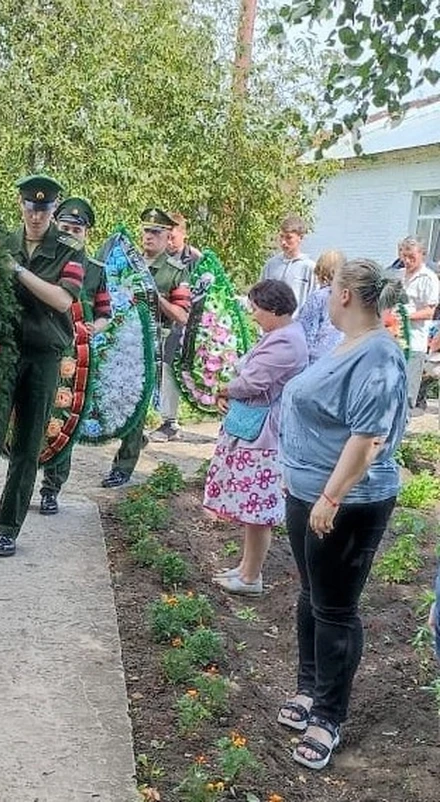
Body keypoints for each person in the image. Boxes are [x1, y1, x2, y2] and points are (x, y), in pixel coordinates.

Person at [277, 257, 406, 771]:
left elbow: (369, 436)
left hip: (348, 503)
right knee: (311, 597)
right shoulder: (346, 344)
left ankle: (328, 717)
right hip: (309, 492)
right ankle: (310, 689)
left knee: (335, 609)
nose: (327, 297)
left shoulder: (378, 354)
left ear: (347, 294)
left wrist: (330, 498)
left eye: (330, 288)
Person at [0, 175, 84, 558]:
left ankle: (7, 528)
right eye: (29, 206)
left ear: (53, 208)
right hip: (3, 351)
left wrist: (19, 271)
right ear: (20, 204)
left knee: (27, 444)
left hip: (44, 354)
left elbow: (61, 300)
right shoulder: (2, 243)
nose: (35, 214)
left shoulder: (69, 249)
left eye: (43, 208)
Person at [204, 279, 308, 594]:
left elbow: (253, 382)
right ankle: (246, 568)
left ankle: (251, 577)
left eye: (257, 309)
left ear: (275, 309)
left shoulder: (286, 341)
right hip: (258, 428)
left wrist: (223, 389)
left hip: (266, 436)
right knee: (252, 510)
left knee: (259, 509)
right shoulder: (280, 335)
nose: (253, 316)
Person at [100, 207, 191, 488]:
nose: (149, 237)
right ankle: (134, 439)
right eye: (146, 231)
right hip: (118, 342)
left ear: (167, 236)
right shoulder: (126, 261)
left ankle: (124, 465)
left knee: (138, 403)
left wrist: (155, 296)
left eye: (156, 232)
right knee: (115, 398)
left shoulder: (175, 271)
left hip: (149, 347)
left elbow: (182, 315)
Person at [38, 197, 110, 515]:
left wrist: (97, 326)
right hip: (41, 347)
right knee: (32, 416)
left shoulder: (95, 270)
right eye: (64, 227)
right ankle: (24, 479)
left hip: (76, 354)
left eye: (76, 230)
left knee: (66, 415)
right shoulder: (42, 260)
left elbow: (105, 311)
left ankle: (52, 488)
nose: (70, 234)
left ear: (86, 234)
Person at [397, 236, 439, 418]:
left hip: (414, 343)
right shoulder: (398, 275)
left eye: (411, 256)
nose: (406, 261)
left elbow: (430, 311)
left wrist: (405, 316)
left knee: (407, 391)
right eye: (403, 256)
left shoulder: (428, 278)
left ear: (422, 255)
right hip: (395, 339)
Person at [260, 214, 316, 315]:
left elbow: (315, 302)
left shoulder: (309, 268)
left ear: (300, 238)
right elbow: (260, 296)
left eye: (289, 238)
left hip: (298, 326)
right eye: (281, 237)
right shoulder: (270, 265)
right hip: (272, 326)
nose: (283, 242)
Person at [297, 249, 345, 364]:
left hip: (319, 360)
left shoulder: (318, 297)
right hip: (343, 357)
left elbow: (306, 332)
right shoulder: (349, 295)